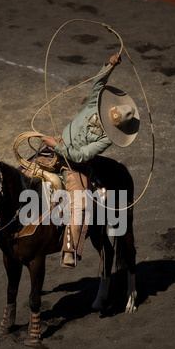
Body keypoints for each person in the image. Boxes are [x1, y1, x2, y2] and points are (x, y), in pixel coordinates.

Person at [41, 52, 139, 267]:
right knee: (21, 171)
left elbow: (82, 155)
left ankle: (70, 250)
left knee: (79, 204)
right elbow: (98, 82)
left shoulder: (106, 139)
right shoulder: (96, 103)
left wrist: (56, 146)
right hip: (52, 150)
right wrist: (110, 65)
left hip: (73, 165)